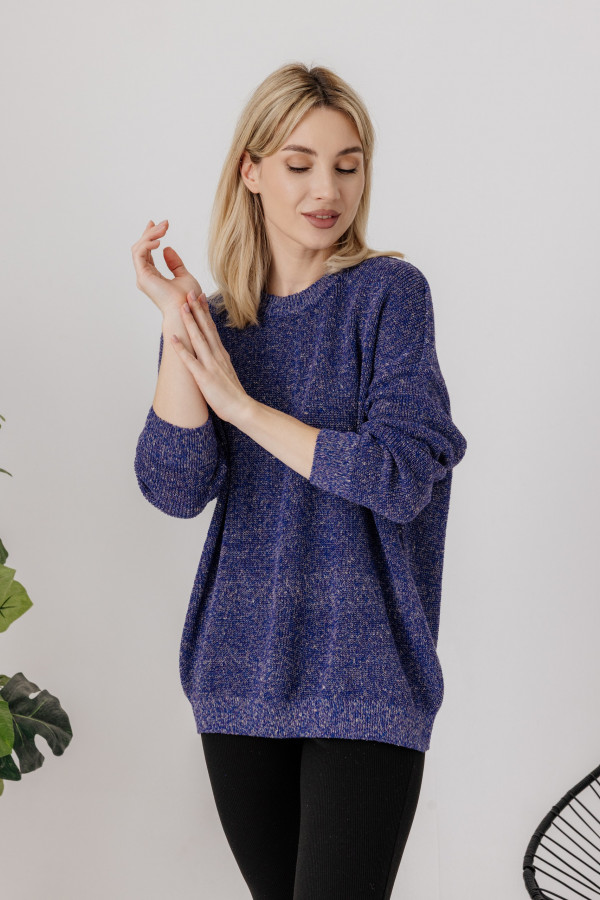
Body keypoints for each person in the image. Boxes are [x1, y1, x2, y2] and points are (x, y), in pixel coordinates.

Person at [131, 62, 467, 900]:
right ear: (250, 171)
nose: (328, 189)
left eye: (347, 166)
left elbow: (399, 475)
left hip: (367, 677)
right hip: (237, 674)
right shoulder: (218, 326)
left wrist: (244, 409)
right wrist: (181, 327)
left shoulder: (389, 295)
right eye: (300, 163)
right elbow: (174, 487)